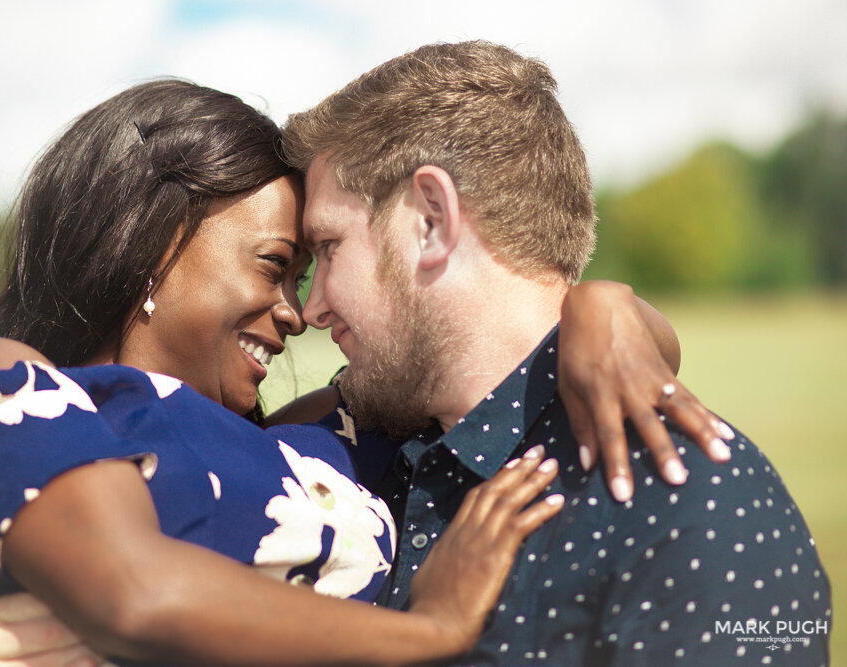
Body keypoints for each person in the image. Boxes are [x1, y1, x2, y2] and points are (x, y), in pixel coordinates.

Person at [0, 73, 725, 666]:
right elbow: (137, 591)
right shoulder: (7, 384)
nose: (298, 311)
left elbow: (510, 355)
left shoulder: (323, 446)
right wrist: (433, 628)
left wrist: (602, 307)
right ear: (151, 246)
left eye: (310, 271)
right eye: (276, 266)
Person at [272, 41, 830, 664]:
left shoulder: (693, 501)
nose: (311, 308)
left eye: (327, 247)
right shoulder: (375, 464)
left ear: (431, 220)